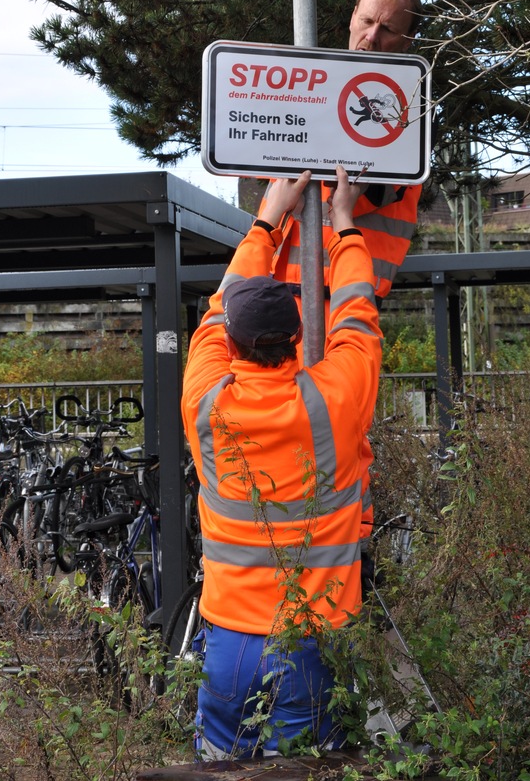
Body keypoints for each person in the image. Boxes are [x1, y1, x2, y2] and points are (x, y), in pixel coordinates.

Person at [181, 165, 383, 759]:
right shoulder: (335, 399)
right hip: (311, 641)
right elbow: (354, 314)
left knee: (218, 768)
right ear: (298, 338)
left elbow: (220, 307)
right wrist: (344, 225)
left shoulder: (206, 398)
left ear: (232, 343)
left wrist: (269, 218)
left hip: (226, 644)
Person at [257, 0, 424, 557]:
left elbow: (359, 192)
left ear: (405, 43)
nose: (371, 37)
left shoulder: (399, 118)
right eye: (366, 20)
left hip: (343, 314)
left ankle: (349, 569)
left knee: (339, 445)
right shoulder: (318, 96)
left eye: (388, 29)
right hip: (280, 311)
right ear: (350, 15)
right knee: (271, 450)